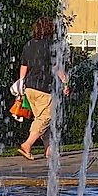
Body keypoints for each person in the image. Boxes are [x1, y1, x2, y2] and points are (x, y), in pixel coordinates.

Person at [16, 18, 58, 159]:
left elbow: (24, 66)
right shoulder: (51, 45)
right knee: (46, 118)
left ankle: (49, 150)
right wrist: (65, 83)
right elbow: (57, 67)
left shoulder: (29, 45)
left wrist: (21, 84)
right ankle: (27, 145)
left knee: (42, 119)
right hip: (44, 88)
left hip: (29, 88)